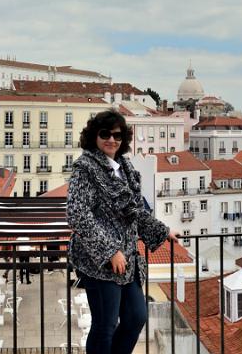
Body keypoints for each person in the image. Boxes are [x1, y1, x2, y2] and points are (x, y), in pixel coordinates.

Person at [67, 108, 178, 354]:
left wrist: (162, 231)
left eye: (117, 135)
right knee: (105, 326)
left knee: (136, 316)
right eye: (105, 134)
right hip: (99, 262)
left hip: (127, 260)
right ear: (94, 136)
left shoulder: (124, 167)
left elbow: (134, 210)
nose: (111, 140)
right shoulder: (85, 168)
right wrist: (109, 251)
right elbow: (77, 214)